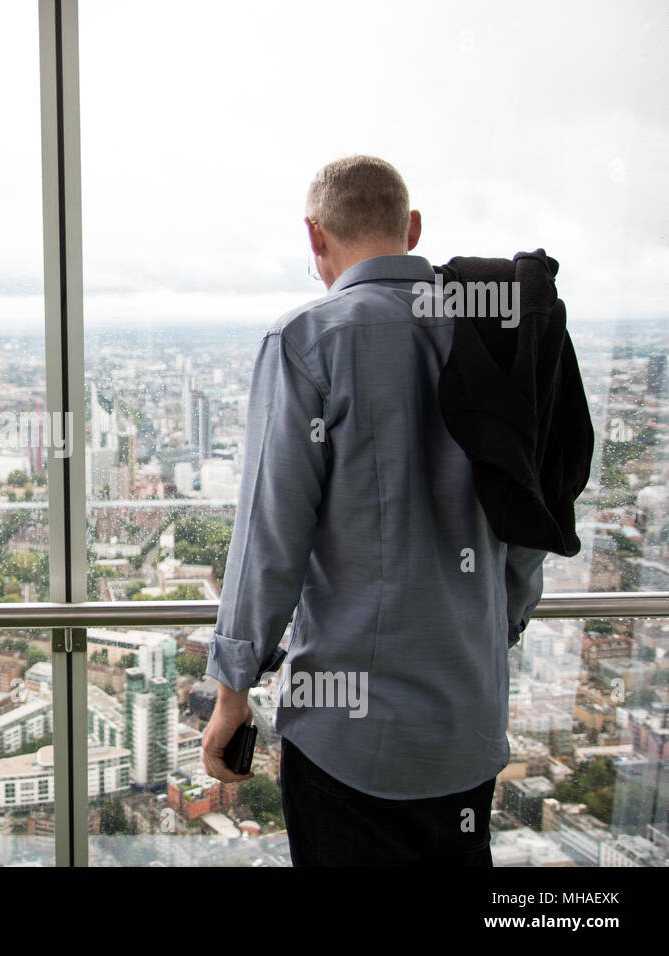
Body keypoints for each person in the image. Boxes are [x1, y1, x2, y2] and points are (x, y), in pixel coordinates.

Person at [200, 155, 548, 866]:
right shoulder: (499, 335)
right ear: (411, 229)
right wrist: (491, 630)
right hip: (466, 727)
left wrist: (233, 691)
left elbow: (272, 536)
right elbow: (531, 519)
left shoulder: (307, 342)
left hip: (348, 743)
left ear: (314, 237)